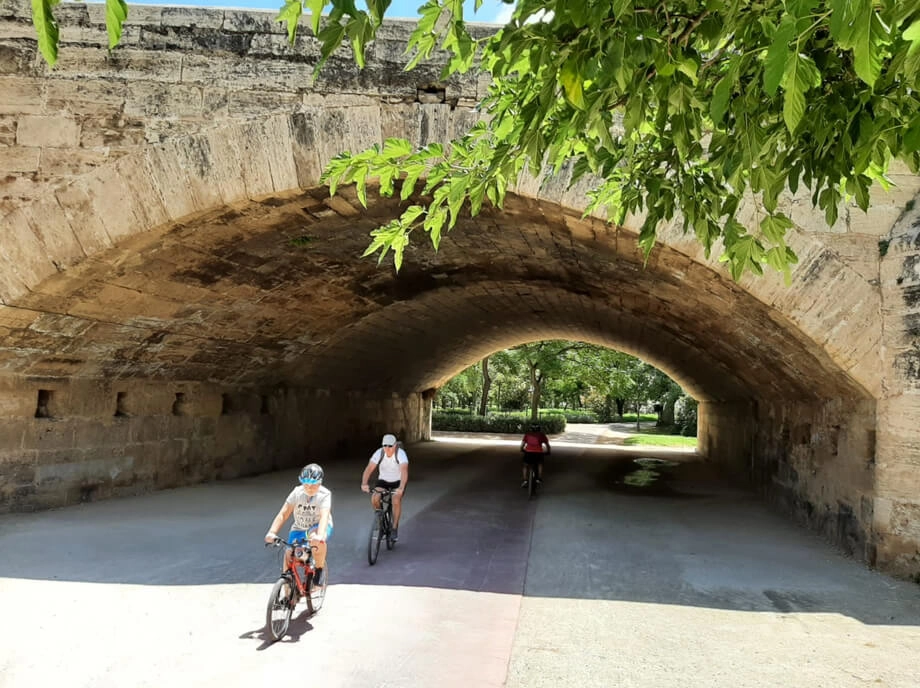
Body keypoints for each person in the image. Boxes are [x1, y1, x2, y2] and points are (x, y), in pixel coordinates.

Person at [264, 463, 332, 588]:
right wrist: (272, 532)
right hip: (299, 527)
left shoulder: (325, 494)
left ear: (320, 483)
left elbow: (324, 516)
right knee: (289, 553)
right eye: (306, 484)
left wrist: (320, 535)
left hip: (317, 526)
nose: (309, 488)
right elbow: (283, 514)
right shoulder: (297, 492)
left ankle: (319, 570)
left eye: (313, 485)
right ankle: (287, 591)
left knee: (315, 540)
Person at [360, 433, 409, 541]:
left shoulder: (401, 454)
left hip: (398, 481)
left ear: (395, 445)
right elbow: (369, 468)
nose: (387, 448)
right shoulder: (379, 452)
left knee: (396, 500)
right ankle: (380, 519)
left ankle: (394, 528)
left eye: (390, 446)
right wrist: (364, 483)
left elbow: (404, 471)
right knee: (375, 497)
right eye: (385, 445)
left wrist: (401, 487)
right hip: (383, 481)